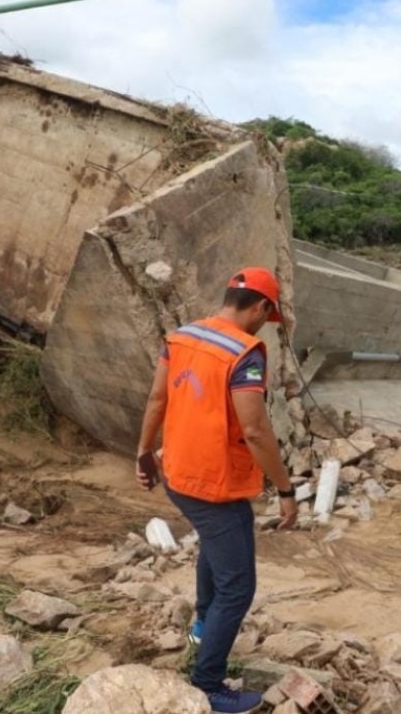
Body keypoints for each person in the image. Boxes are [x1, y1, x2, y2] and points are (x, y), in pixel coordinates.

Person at [136, 266, 298, 714]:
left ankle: (203, 625)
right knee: (238, 587)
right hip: (214, 484)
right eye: (269, 315)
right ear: (262, 307)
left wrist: (144, 451)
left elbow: (157, 399)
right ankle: (208, 684)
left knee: (218, 542)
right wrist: (285, 489)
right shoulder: (246, 352)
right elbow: (255, 430)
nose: (267, 323)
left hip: (178, 473)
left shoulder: (182, 337)